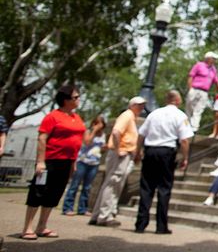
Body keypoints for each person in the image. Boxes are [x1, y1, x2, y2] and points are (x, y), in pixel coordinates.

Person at [21, 85, 86, 240]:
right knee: (38, 192)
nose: (78, 100)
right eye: (75, 97)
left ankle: (42, 226)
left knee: (54, 193)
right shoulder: (53, 116)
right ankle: (27, 228)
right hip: (50, 161)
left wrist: (74, 161)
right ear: (66, 100)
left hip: (67, 161)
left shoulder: (76, 118)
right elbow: (42, 138)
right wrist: (40, 161)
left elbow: (77, 141)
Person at [134, 90, 193, 234]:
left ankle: (141, 224)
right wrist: (185, 157)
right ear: (177, 100)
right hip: (166, 152)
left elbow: (141, 134)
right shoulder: (180, 115)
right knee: (164, 189)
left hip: (150, 150)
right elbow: (184, 140)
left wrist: (138, 151)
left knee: (146, 187)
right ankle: (161, 225)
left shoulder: (154, 114)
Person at [90, 96, 146, 227]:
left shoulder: (131, 118)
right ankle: (105, 216)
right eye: (139, 105)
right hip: (121, 155)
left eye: (143, 105)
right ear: (132, 105)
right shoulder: (127, 116)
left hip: (124, 153)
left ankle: (98, 214)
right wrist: (118, 149)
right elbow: (116, 132)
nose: (141, 108)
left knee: (110, 184)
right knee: (114, 184)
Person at [62, 115, 106, 216]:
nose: (99, 125)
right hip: (83, 161)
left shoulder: (103, 135)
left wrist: (104, 148)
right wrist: (94, 131)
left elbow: (100, 149)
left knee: (87, 187)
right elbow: (87, 142)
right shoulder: (88, 132)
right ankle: (67, 207)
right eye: (97, 123)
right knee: (75, 185)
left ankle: (82, 208)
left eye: (101, 123)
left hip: (94, 162)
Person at [186, 51, 218, 132]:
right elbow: (191, 77)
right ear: (208, 58)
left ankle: (194, 128)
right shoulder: (199, 65)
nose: (214, 61)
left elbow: (217, 82)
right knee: (189, 108)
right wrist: (190, 88)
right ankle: (186, 127)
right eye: (213, 59)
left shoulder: (213, 69)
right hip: (194, 89)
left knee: (198, 110)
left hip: (204, 92)